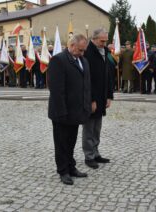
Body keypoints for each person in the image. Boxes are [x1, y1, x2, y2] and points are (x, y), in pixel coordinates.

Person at [48, 34, 91, 185]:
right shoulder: (58, 61)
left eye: (84, 50)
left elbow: (86, 86)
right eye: (80, 50)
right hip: (62, 112)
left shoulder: (83, 60)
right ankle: (63, 171)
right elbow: (56, 90)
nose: (82, 53)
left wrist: (87, 104)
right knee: (61, 143)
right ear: (71, 45)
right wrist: (62, 112)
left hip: (76, 111)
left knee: (71, 141)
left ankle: (71, 167)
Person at [82, 28, 113, 169]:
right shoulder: (87, 53)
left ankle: (96, 153)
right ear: (94, 39)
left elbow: (108, 75)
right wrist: (92, 99)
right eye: (102, 41)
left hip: (102, 96)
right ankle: (89, 156)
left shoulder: (105, 52)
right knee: (89, 128)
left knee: (97, 128)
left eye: (106, 40)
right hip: (91, 98)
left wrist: (109, 96)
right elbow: (87, 80)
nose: (104, 43)